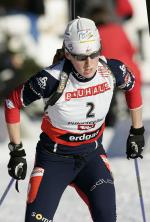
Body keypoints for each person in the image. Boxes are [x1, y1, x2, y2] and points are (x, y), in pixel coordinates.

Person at [4, 17, 145, 222]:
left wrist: (137, 132)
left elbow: (132, 87)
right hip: (54, 160)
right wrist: (16, 151)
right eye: (80, 57)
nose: (88, 64)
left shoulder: (112, 71)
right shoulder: (51, 79)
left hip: (91, 157)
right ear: (68, 54)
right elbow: (12, 103)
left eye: (94, 54)